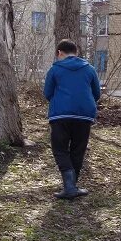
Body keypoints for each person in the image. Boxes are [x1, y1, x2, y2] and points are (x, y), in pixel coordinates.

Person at [43, 39, 102, 200]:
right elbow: (97, 93)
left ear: (59, 53)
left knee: (60, 150)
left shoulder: (55, 69)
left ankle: (69, 187)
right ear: (76, 52)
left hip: (60, 115)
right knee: (78, 150)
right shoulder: (90, 69)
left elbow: (47, 93)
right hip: (85, 115)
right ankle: (72, 186)